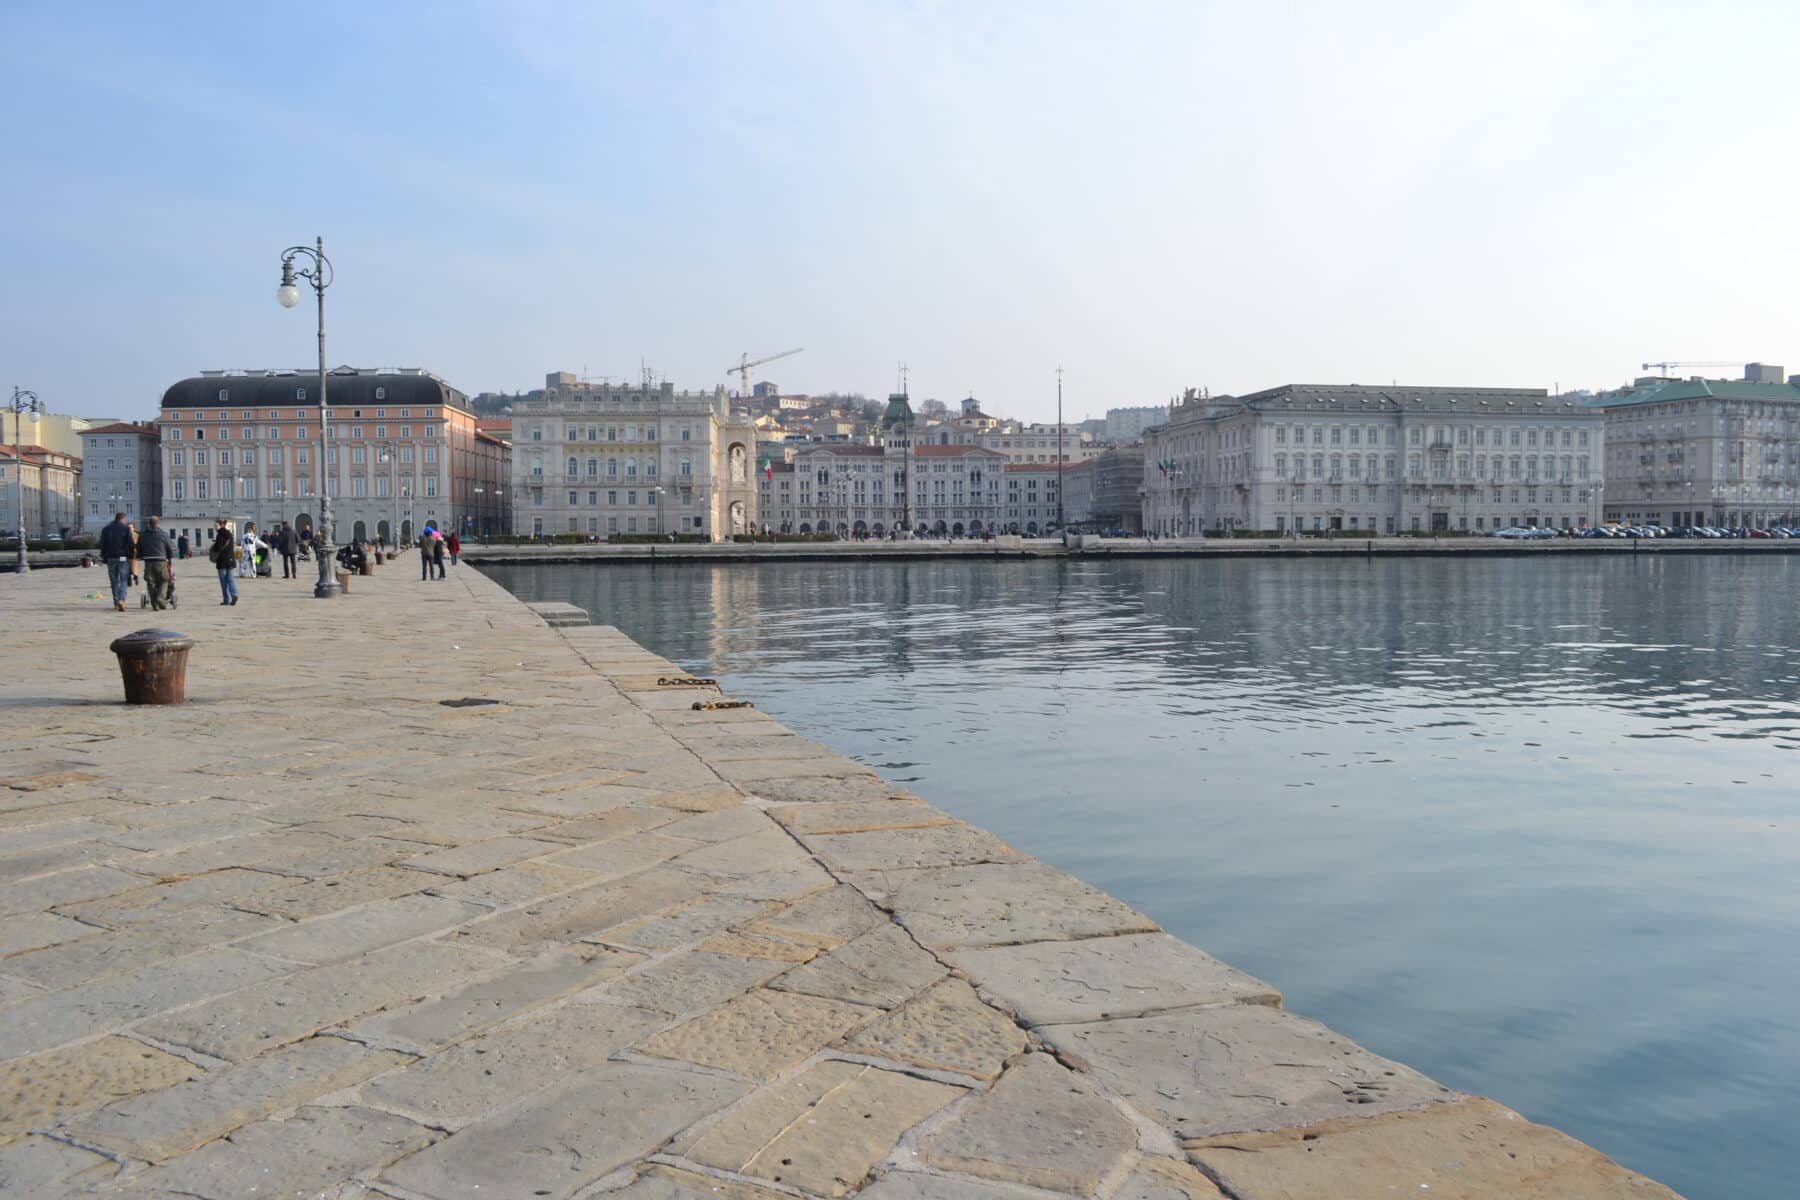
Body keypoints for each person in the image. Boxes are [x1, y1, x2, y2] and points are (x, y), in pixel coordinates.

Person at [97, 511, 133, 612]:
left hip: (110, 557)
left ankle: (116, 602)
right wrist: (130, 555)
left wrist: (104, 557)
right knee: (124, 580)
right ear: (123, 519)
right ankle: (122, 600)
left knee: (114, 581)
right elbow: (130, 543)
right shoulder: (126, 528)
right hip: (122, 557)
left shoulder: (106, 529)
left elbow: (102, 544)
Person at [137, 515, 174, 611]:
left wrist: (141, 556)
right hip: (161, 560)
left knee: (151, 582)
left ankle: (155, 605)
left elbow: (139, 548)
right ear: (158, 523)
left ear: (149, 523)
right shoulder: (163, 534)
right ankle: (161, 598)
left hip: (148, 561)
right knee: (164, 580)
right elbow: (170, 548)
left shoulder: (143, 534)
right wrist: (169, 557)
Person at [209, 519, 238, 606]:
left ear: (221, 525)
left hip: (222, 561)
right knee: (231, 579)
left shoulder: (220, 535)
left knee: (224, 581)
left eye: (216, 526)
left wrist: (214, 545)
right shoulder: (229, 534)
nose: (215, 527)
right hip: (231, 559)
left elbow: (218, 548)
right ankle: (234, 594)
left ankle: (227, 599)